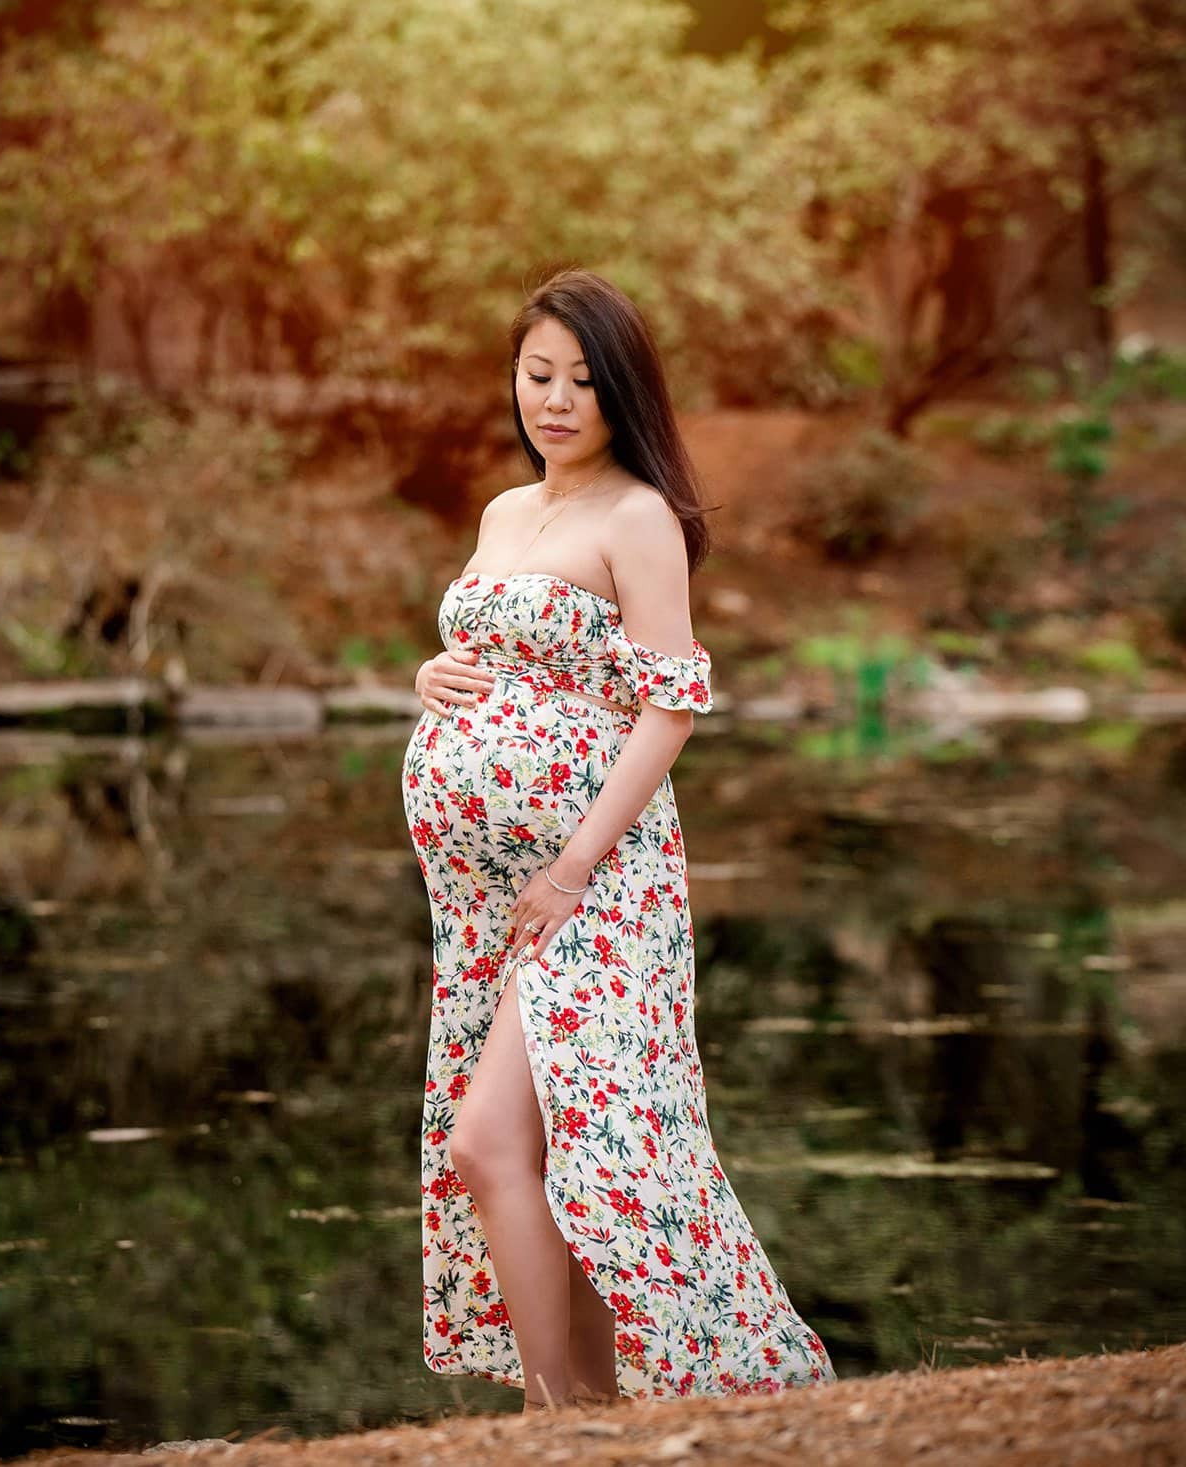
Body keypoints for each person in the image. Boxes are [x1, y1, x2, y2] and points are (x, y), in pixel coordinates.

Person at [399, 268, 837, 1411]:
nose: (555, 401)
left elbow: (669, 706)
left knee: (495, 1143)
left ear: (622, 391)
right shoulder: (505, 513)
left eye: (583, 382)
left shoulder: (638, 518)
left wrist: (570, 866)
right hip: (490, 895)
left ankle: (558, 1411)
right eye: (537, 375)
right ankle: (580, 1411)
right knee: (544, 1151)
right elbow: (497, 652)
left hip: (594, 881)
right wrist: (433, 676)